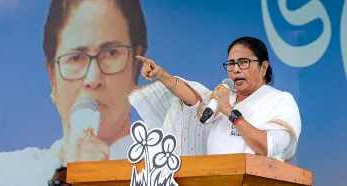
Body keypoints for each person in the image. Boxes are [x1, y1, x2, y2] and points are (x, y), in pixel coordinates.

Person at [0, 0, 147, 185]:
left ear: (136, 65)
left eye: (111, 53)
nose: (93, 78)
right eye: (76, 58)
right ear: (52, 76)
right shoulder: (6, 174)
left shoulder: (171, 165)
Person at [127, 36, 301, 162]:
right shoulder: (224, 98)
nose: (236, 69)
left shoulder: (280, 100)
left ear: (263, 67)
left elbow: (269, 147)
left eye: (243, 62)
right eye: (231, 63)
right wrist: (161, 75)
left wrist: (230, 113)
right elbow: (193, 99)